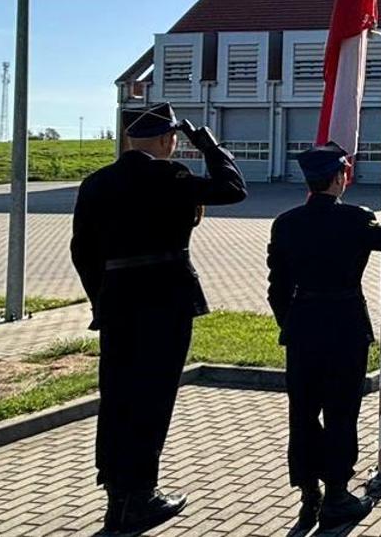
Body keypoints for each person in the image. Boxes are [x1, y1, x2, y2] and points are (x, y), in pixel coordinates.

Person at [69, 102, 247, 534]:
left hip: (117, 304)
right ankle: (140, 499)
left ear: (129, 139)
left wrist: (101, 297)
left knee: (118, 398)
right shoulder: (171, 176)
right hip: (166, 300)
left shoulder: (95, 183)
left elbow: (81, 251)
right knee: (153, 398)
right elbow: (233, 188)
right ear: (170, 141)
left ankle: (117, 496)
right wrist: (208, 144)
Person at [266, 142, 381, 530]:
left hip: (302, 328)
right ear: (340, 178)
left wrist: (291, 321)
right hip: (345, 326)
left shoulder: (285, 223)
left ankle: (308, 495)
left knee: (302, 414)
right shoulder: (356, 218)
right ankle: (336, 495)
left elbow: (276, 288)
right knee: (340, 413)